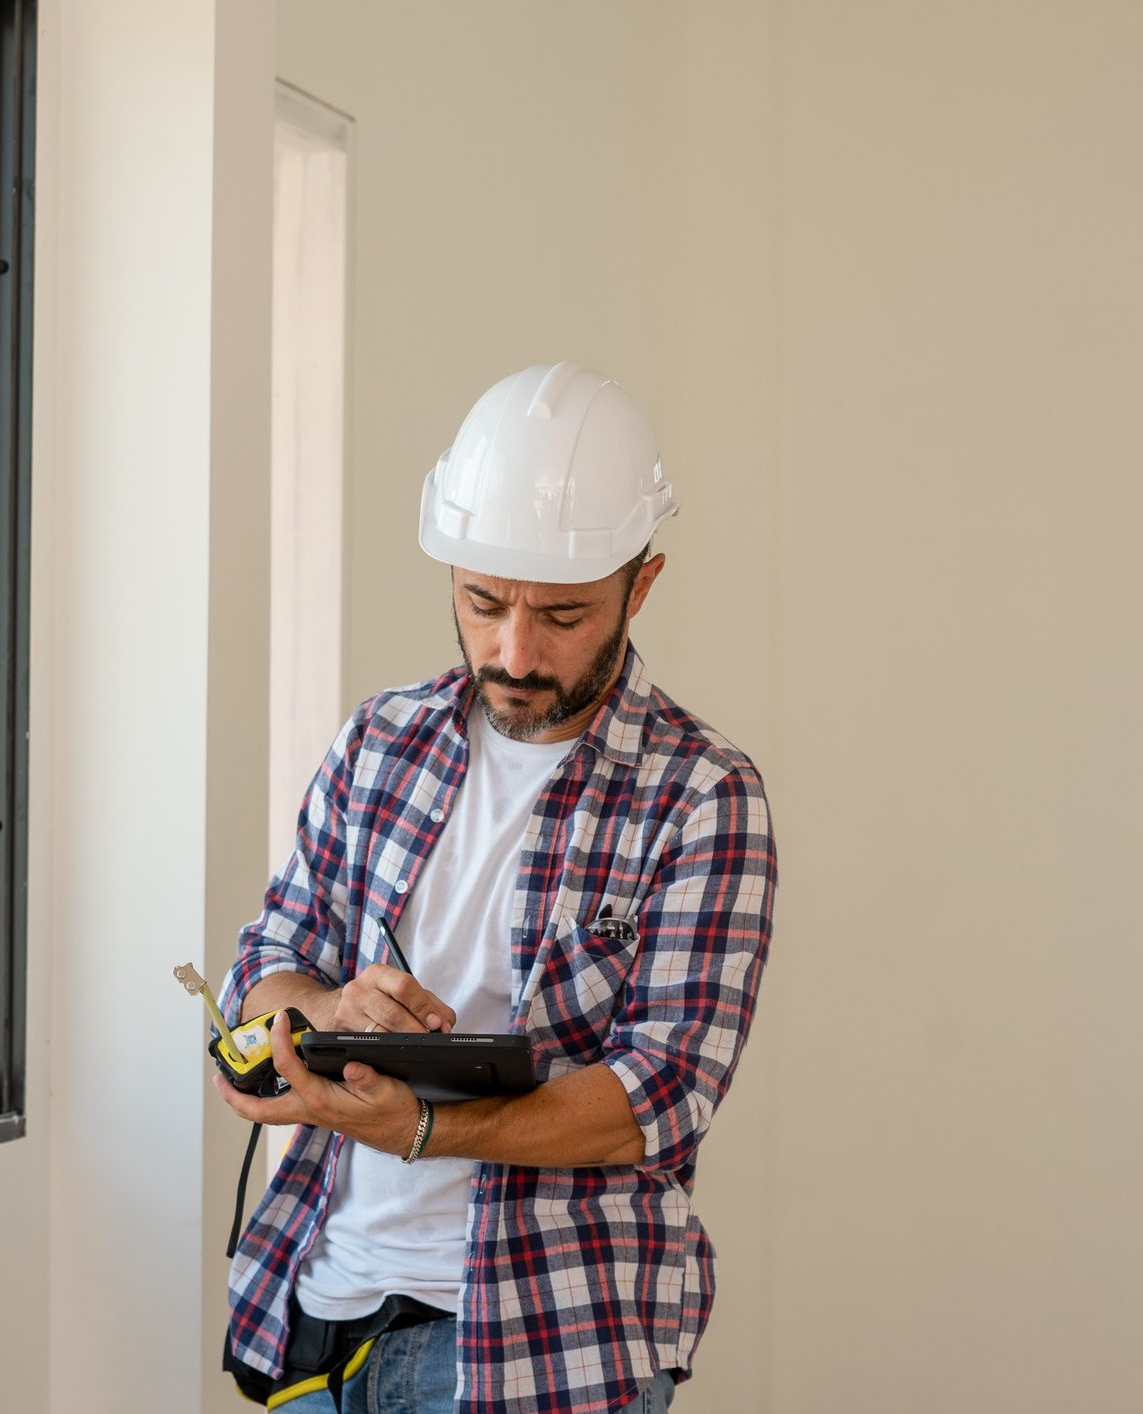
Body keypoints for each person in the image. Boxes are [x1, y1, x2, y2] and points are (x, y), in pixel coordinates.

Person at [212, 361, 775, 1414]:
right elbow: (265, 967)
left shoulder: (702, 795)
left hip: (540, 1352)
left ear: (638, 586)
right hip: (320, 1318)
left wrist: (422, 1128)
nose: (514, 652)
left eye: (562, 615)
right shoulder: (380, 739)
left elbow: (654, 1095)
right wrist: (327, 1013)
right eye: (483, 602)